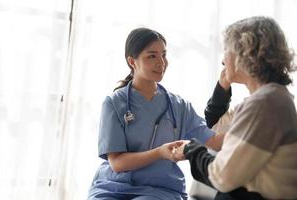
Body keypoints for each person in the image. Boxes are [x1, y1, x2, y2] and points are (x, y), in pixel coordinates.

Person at [87, 27, 223, 200]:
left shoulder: (179, 106)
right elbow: (117, 163)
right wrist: (160, 153)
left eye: (164, 55)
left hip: (160, 190)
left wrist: (253, 132)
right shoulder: (114, 103)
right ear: (132, 61)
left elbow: (212, 140)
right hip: (111, 187)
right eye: (152, 56)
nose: (161, 63)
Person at [174, 16, 297, 199]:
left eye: (226, 50)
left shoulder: (264, 104)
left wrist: (190, 149)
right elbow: (213, 131)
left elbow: (222, 176)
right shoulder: (272, 98)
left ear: (245, 54)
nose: (223, 60)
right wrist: (223, 85)